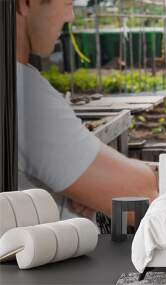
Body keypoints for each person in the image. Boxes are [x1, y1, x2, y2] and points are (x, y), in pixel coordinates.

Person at [16, 0, 158, 219]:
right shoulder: (24, 93)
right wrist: (104, 188)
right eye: (67, 3)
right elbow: (140, 195)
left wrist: (90, 191)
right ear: (26, 3)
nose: (71, 16)